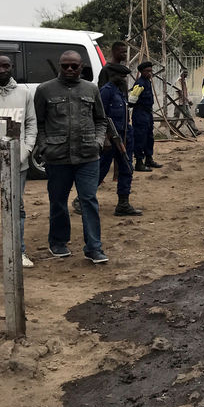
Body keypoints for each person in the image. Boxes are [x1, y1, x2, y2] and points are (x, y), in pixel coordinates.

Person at [34, 51, 108, 263]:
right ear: (60, 65)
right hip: (57, 157)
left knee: (89, 201)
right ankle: (58, 242)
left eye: (73, 66)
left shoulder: (91, 89)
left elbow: (101, 120)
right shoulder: (45, 90)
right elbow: (38, 122)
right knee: (58, 202)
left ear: (81, 66)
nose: (69, 69)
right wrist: (44, 146)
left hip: (87, 156)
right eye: (65, 65)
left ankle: (94, 247)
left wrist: (97, 142)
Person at [0, 55, 37, 268]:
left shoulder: (24, 93)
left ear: (12, 67)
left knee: (16, 208)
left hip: (18, 163)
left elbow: (31, 123)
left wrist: (25, 151)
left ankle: (18, 252)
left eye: (5, 66)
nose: (1, 70)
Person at [98, 64, 142, 216]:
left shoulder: (120, 91)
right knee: (101, 169)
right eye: (121, 76)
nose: (124, 79)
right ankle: (83, 199)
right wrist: (105, 138)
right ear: (113, 76)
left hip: (124, 137)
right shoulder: (106, 92)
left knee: (126, 169)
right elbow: (100, 117)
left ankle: (123, 203)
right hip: (111, 139)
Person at [129, 61, 161, 171]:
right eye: (147, 71)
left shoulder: (147, 82)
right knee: (140, 138)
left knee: (149, 137)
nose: (149, 73)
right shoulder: (140, 84)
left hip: (147, 114)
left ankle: (149, 159)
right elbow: (131, 100)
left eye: (150, 71)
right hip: (140, 114)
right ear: (142, 71)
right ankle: (139, 162)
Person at [174, 68, 199, 135]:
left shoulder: (185, 81)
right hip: (179, 102)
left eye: (187, 72)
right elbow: (180, 93)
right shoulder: (178, 81)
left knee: (187, 116)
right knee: (177, 116)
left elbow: (186, 92)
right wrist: (188, 100)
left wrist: (188, 100)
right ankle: (172, 129)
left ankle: (195, 130)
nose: (186, 74)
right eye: (184, 73)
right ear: (181, 73)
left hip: (184, 102)